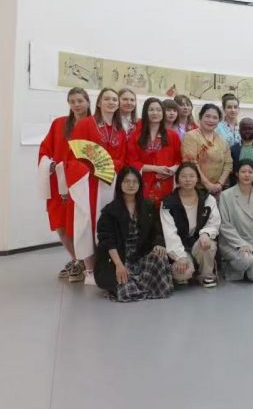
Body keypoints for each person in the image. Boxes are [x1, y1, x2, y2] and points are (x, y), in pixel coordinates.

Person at [64, 87, 127, 285]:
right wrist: (92, 170)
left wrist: (110, 166)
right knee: (87, 224)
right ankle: (89, 270)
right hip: (89, 182)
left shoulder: (120, 129)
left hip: (111, 181)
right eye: (107, 99)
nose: (111, 102)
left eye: (114, 99)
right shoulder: (85, 124)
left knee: (108, 223)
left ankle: (106, 266)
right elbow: (74, 155)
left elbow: (123, 157)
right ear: (99, 102)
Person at [94, 167, 173, 302]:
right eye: (126, 181)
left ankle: (138, 283)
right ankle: (142, 284)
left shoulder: (148, 206)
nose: (131, 185)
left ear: (140, 184)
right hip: (119, 258)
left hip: (140, 256)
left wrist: (159, 244)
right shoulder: (110, 211)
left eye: (135, 181)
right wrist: (119, 265)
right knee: (126, 292)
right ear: (120, 184)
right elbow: (107, 241)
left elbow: (157, 230)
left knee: (160, 257)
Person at [39, 87, 91, 280]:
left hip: (83, 182)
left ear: (88, 102)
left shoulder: (94, 124)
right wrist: (49, 163)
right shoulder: (59, 124)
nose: (76, 105)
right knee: (60, 225)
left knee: (81, 226)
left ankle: (88, 263)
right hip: (59, 183)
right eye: (72, 101)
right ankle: (77, 260)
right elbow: (45, 149)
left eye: (80, 101)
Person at [160, 162, 221, 288]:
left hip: (199, 242)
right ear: (177, 179)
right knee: (183, 274)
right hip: (180, 244)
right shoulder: (168, 203)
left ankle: (206, 273)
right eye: (183, 176)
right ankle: (189, 267)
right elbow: (169, 233)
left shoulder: (207, 199)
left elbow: (214, 222)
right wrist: (180, 256)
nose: (188, 179)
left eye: (192, 176)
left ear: (197, 178)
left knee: (208, 244)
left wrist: (205, 234)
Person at [218, 160, 253, 283]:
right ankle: (234, 267)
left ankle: (244, 268)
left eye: (250, 172)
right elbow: (224, 225)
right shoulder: (226, 195)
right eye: (243, 172)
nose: (247, 175)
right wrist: (241, 244)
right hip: (233, 244)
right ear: (237, 173)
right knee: (246, 259)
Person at [126, 97, 182, 207]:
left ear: (163, 113)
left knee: (164, 212)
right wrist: (155, 168)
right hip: (142, 183)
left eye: (158, 110)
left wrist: (172, 170)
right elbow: (131, 162)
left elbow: (179, 160)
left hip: (166, 182)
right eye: (151, 110)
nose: (155, 113)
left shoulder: (173, 136)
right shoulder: (136, 136)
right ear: (145, 112)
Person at [181, 104, 233, 197]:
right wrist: (208, 185)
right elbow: (191, 163)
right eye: (207, 116)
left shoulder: (221, 140)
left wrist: (219, 184)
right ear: (200, 117)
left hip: (218, 190)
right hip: (196, 189)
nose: (211, 120)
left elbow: (228, 163)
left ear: (219, 121)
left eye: (215, 118)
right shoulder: (191, 136)